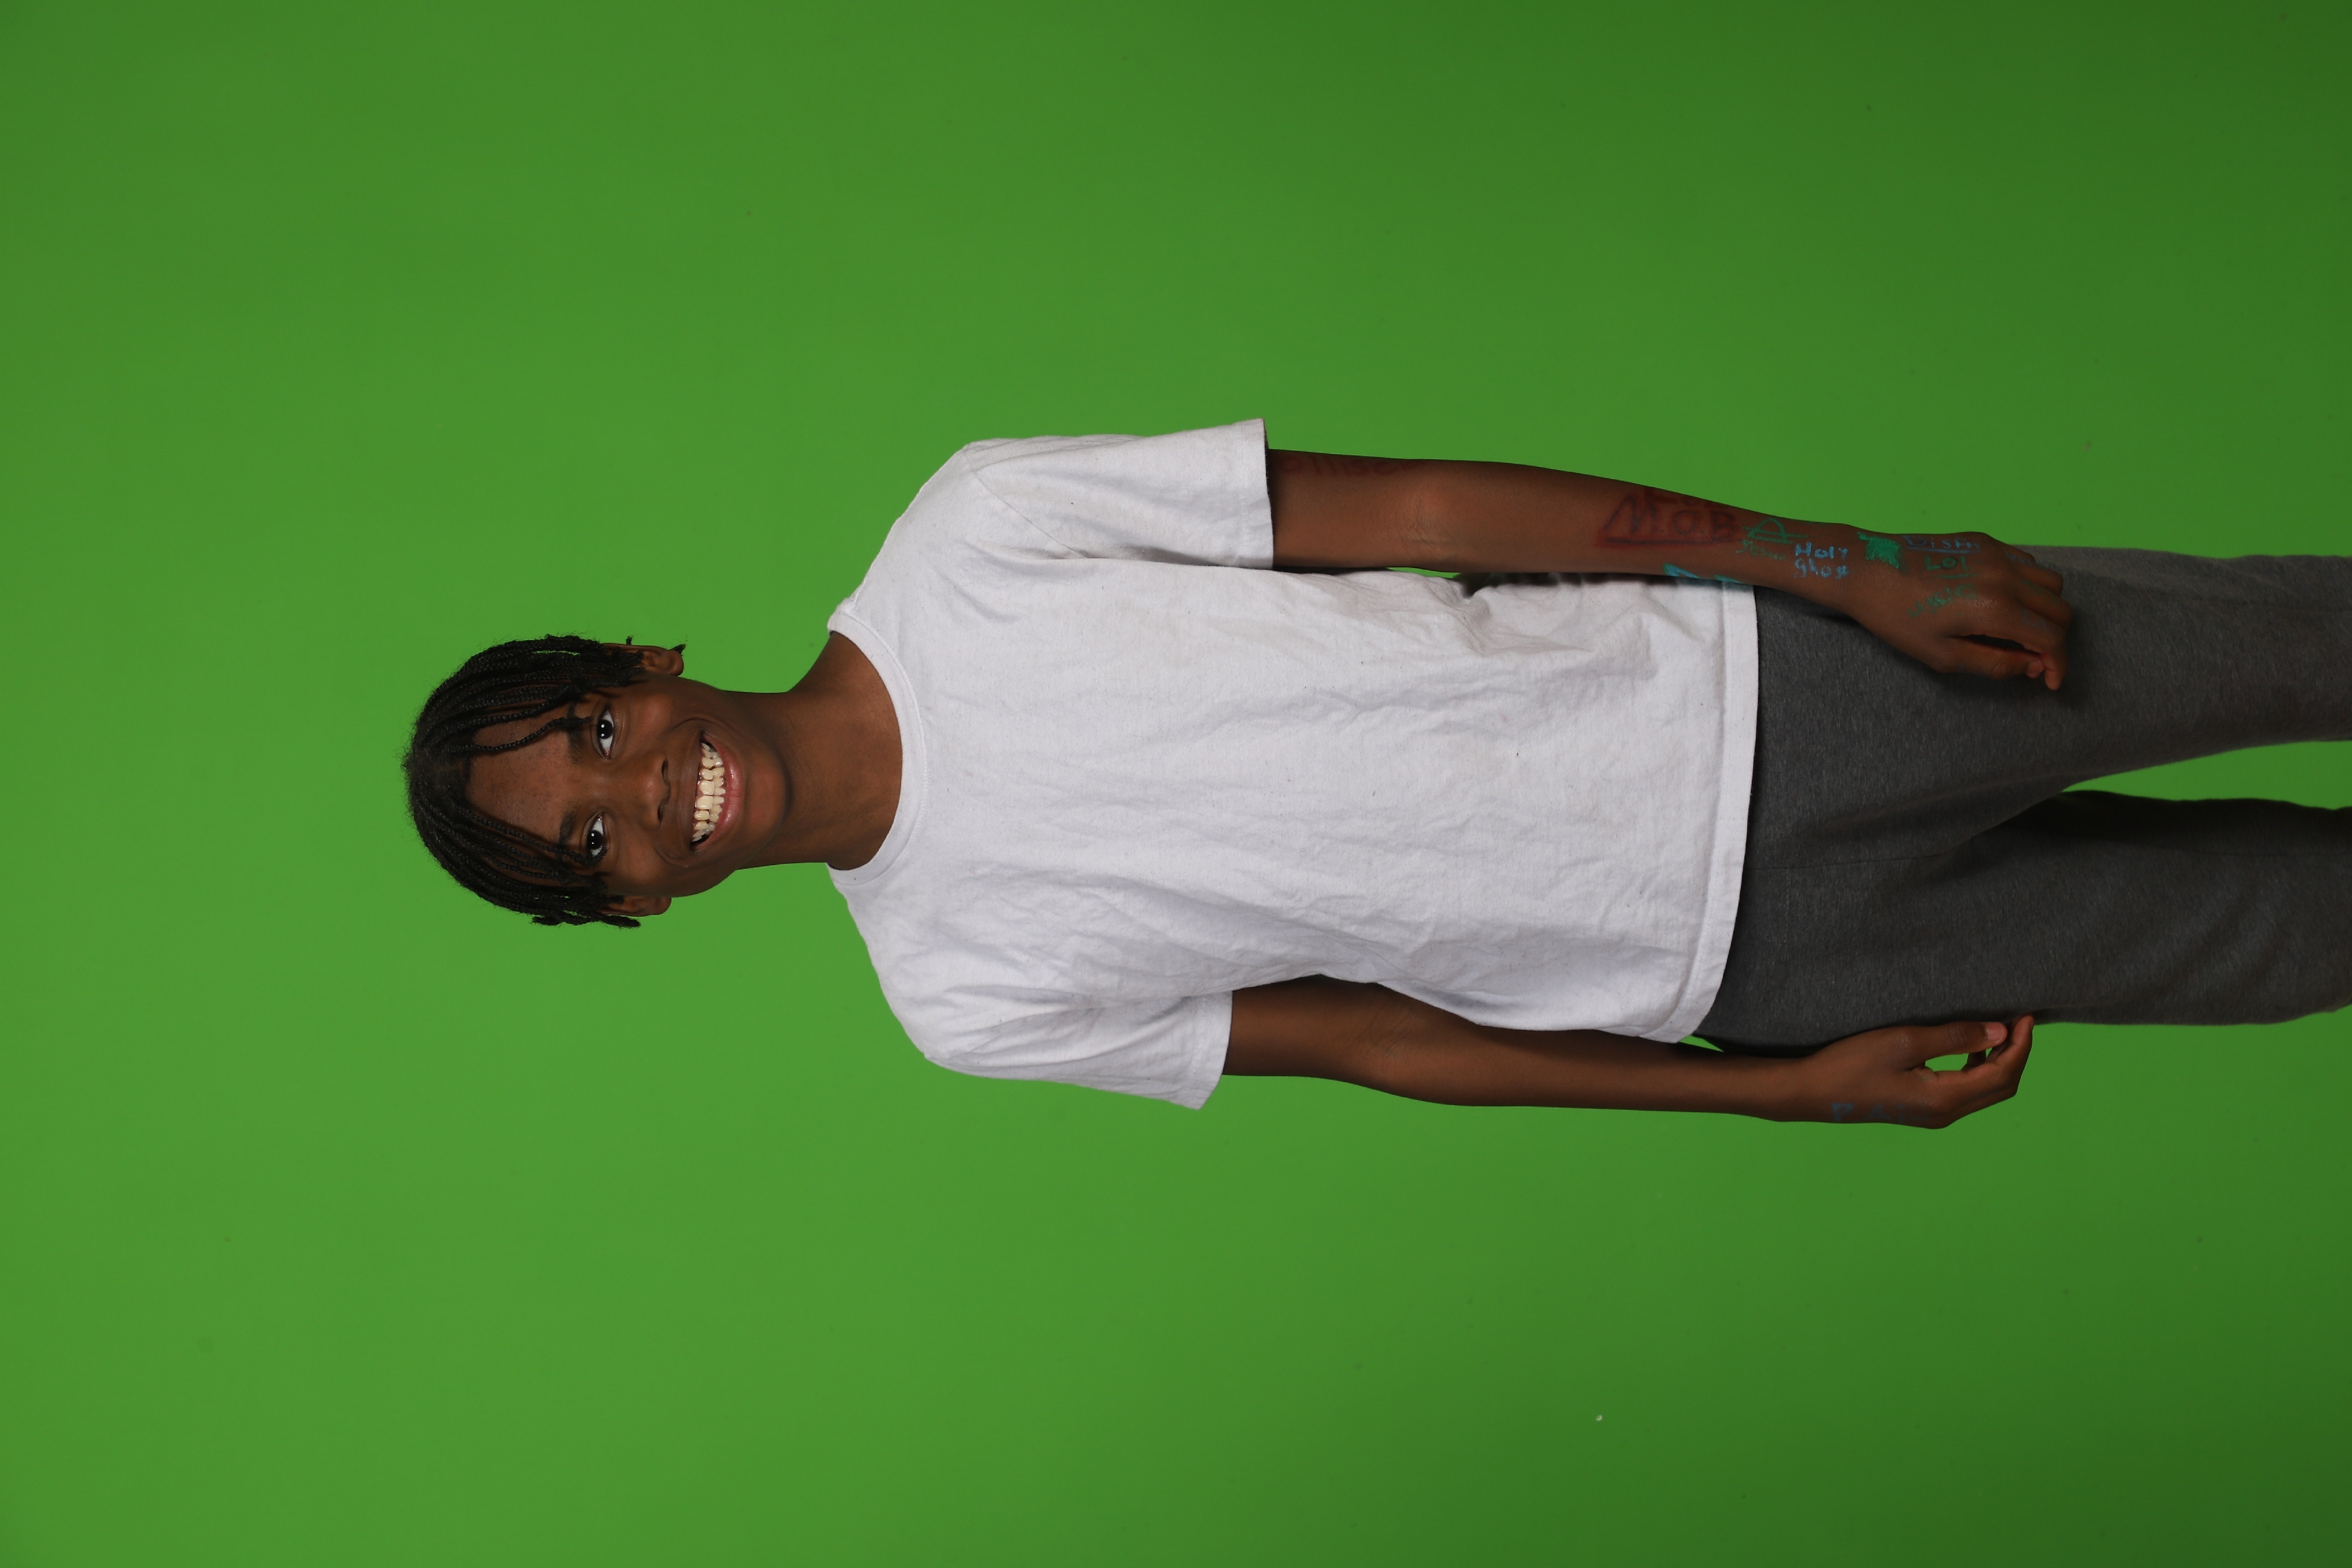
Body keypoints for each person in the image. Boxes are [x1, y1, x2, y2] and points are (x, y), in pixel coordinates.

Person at [402, 420, 2352, 1128]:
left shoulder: (973, 533)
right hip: (1753, 964)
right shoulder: (960, 998)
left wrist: (1841, 564)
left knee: (2304, 642)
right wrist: (1766, 1090)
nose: (641, 797)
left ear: (640, 666)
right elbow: (1374, 1042)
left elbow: (1417, 508)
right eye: (593, 846)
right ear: (630, 907)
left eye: (596, 737)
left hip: (1780, 684)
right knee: (2303, 935)